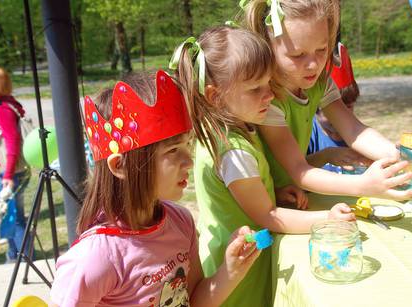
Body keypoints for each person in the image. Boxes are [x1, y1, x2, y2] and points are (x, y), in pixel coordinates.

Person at [171, 25, 356, 307]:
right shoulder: (233, 151)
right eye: (255, 88)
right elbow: (268, 216)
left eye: (269, 84)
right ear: (214, 96)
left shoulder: (236, 128)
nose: (269, 95)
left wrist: (273, 190)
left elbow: (241, 195)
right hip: (239, 277)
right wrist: (327, 221)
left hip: (240, 258)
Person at [50, 70, 260, 306]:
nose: (189, 161)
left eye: (187, 145)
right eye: (173, 151)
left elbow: (193, 300)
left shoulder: (180, 222)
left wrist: (231, 270)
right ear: (120, 166)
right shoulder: (94, 258)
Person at [241, 0, 412, 200]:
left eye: (322, 49)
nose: (313, 64)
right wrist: (363, 185)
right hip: (261, 205)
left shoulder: (320, 82)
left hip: (292, 196)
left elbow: (354, 130)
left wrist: (400, 157)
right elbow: (298, 170)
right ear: (267, 47)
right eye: (298, 55)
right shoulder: (269, 98)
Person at [307, 42, 370, 173]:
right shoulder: (309, 132)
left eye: (349, 107)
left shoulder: (359, 136)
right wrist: (326, 156)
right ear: (316, 110)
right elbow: (296, 168)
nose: (342, 116)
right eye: (331, 112)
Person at [0, 66, 30, 262]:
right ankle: (14, 256)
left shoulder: (1, 109)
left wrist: (7, 176)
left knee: (14, 219)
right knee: (8, 217)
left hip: (8, 174)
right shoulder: (5, 104)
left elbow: (12, 142)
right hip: (6, 172)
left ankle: (22, 260)